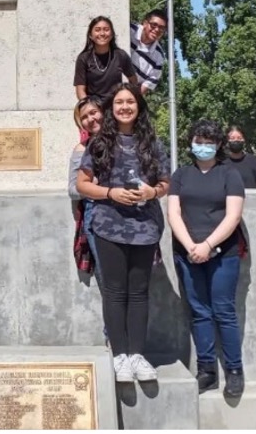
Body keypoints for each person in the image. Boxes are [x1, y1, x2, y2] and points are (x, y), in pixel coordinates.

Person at [76, 83, 169, 382]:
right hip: (109, 226)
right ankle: (120, 356)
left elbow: (166, 183)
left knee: (139, 293)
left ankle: (138, 355)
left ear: (138, 106)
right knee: (115, 293)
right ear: (111, 108)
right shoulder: (99, 143)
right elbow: (83, 184)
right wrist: (111, 193)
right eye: (119, 102)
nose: (125, 107)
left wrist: (151, 192)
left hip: (145, 228)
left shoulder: (153, 142)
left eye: (130, 101)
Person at [168, 119, 246, 397]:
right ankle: (207, 371)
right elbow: (174, 213)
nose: (203, 147)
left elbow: (233, 215)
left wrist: (208, 244)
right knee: (200, 312)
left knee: (224, 311)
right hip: (187, 252)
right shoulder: (180, 174)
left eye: (208, 142)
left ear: (219, 145)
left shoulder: (229, 174)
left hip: (223, 253)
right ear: (190, 143)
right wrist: (191, 246)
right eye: (198, 142)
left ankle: (234, 371)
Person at [68, 96, 106, 278]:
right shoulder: (81, 150)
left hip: (129, 215)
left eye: (93, 112)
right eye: (84, 117)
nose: (90, 119)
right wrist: (91, 186)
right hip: (97, 214)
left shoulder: (124, 141)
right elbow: (73, 190)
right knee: (108, 280)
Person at [74, 16, 138, 101]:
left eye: (106, 29)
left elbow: (133, 81)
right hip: (94, 107)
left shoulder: (120, 55)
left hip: (115, 107)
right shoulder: (83, 58)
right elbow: (80, 90)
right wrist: (90, 107)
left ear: (111, 35)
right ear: (90, 35)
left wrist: (126, 99)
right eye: (97, 30)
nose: (102, 33)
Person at [130, 9, 167, 95]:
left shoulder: (159, 57)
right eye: (154, 25)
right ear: (145, 23)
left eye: (161, 28)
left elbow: (145, 87)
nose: (157, 29)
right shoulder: (129, 31)